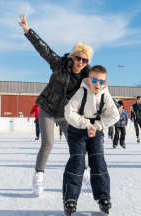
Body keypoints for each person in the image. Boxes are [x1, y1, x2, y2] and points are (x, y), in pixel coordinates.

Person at [19, 14, 93, 197]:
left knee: (75, 144)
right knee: (48, 143)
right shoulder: (60, 64)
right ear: (73, 56)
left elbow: (102, 91)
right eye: (78, 58)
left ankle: (84, 174)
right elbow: (43, 49)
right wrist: (29, 32)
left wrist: (117, 105)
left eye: (84, 60)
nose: (80, 62)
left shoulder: (88, 78)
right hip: (47, 109)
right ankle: (38, 177)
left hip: (66, 114)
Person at [63, 65, 119, 216]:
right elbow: (69, 112)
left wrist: (97, 125)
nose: (97, 84)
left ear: (105, 83)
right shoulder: (81, 92)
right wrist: (86, 125)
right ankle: (70, 198)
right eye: (94, 80)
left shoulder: (105, 95)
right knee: (77, 162)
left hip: (96, 130)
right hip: (78, 130)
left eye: (101, 81)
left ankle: (103, 197)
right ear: (88, 80)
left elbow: (115, 116)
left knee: (98, 161)